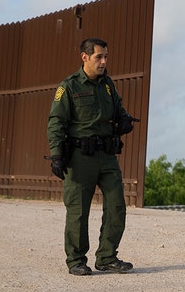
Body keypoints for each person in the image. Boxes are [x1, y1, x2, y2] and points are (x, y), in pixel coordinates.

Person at [47, 38, 135, 276]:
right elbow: (56, 122)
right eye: (99, 57)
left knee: (117, 205)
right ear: (84, 57)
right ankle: (76, 260)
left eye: (106, 56)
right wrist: (56, 155)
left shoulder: (107, 85)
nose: (104, 61)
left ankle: (107, 257)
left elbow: (118, 108)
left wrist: (124, 119)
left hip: (107, 156)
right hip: (79, 158)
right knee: (78, 210)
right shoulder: (69, 86)